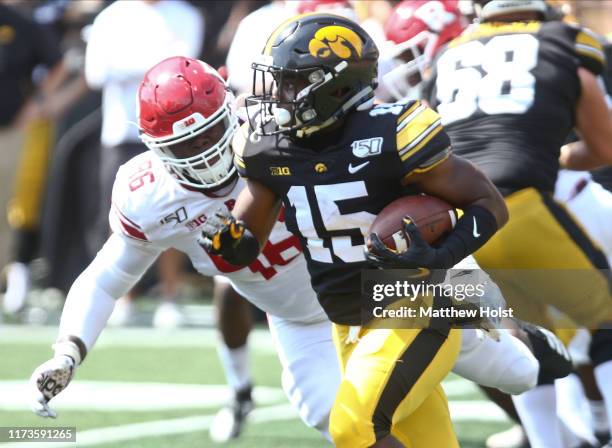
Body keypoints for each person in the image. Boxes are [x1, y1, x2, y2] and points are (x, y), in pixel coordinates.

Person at [28, 56, 567, 447]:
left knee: (514, 371)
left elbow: (368, 137)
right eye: (183, 146)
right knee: (340, 418)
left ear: (230, 111)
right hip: (306, 318)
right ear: (153, 149)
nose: (203, 151)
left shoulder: (281, 133)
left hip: (390, 279)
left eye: (208, 133)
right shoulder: (148, 193)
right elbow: (105, 278)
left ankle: (517, 328)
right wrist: (68, 349)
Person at [199, 13, 512, 448]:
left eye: (292, 83)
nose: (277, 96)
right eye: (278, 82)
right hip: (346, 323)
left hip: (413, 308)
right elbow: (244, 246)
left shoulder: (393, 134)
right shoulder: (269, 149)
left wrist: (441, 256)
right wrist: (227, 243)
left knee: (353, 427)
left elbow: (489, 205)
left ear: (336, 86)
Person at [425, 0, 612, 446]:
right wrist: (558, 156)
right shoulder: (564, 42)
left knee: (531, 341)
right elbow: (604, 148)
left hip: (459, 228)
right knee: (606, 329)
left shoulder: (448, 55)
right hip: (523, 208)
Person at [84, 0, 204, 328]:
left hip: (173, 132)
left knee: (179, 210)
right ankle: (125, 298)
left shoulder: (186, 14)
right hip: (121, 132)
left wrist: (129, 63)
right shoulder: (112, 16)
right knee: (120, 215)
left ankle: (170, 295)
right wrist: (153, 64)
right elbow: (96, 72)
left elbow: (183, 67)